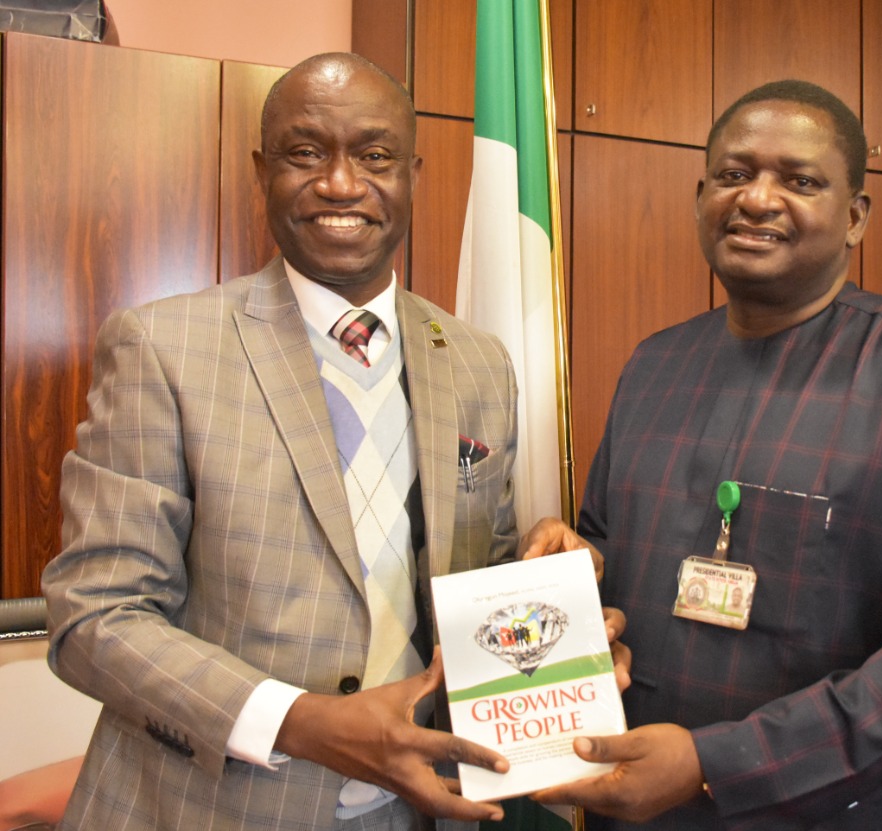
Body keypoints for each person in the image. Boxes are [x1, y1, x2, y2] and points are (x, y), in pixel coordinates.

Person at [521, 80, 882, 829]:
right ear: (702, 196)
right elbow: (606, 543)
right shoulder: (653, 365)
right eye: (733, 174)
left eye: (799, 180)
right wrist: (574, 566)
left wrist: (714, 767)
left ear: (855, 217)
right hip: (638, 811)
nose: (757, 199)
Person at [41, 52, 525, 830]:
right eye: (306, 153)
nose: (341, 183)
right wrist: (302, 721)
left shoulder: (478, 361)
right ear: (264, 170)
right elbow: (95, 618)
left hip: (421, 806)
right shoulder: (163, 347)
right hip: (209, 807)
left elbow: (481, 575)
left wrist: (546, 578)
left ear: (412, 173)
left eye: (374, 156)